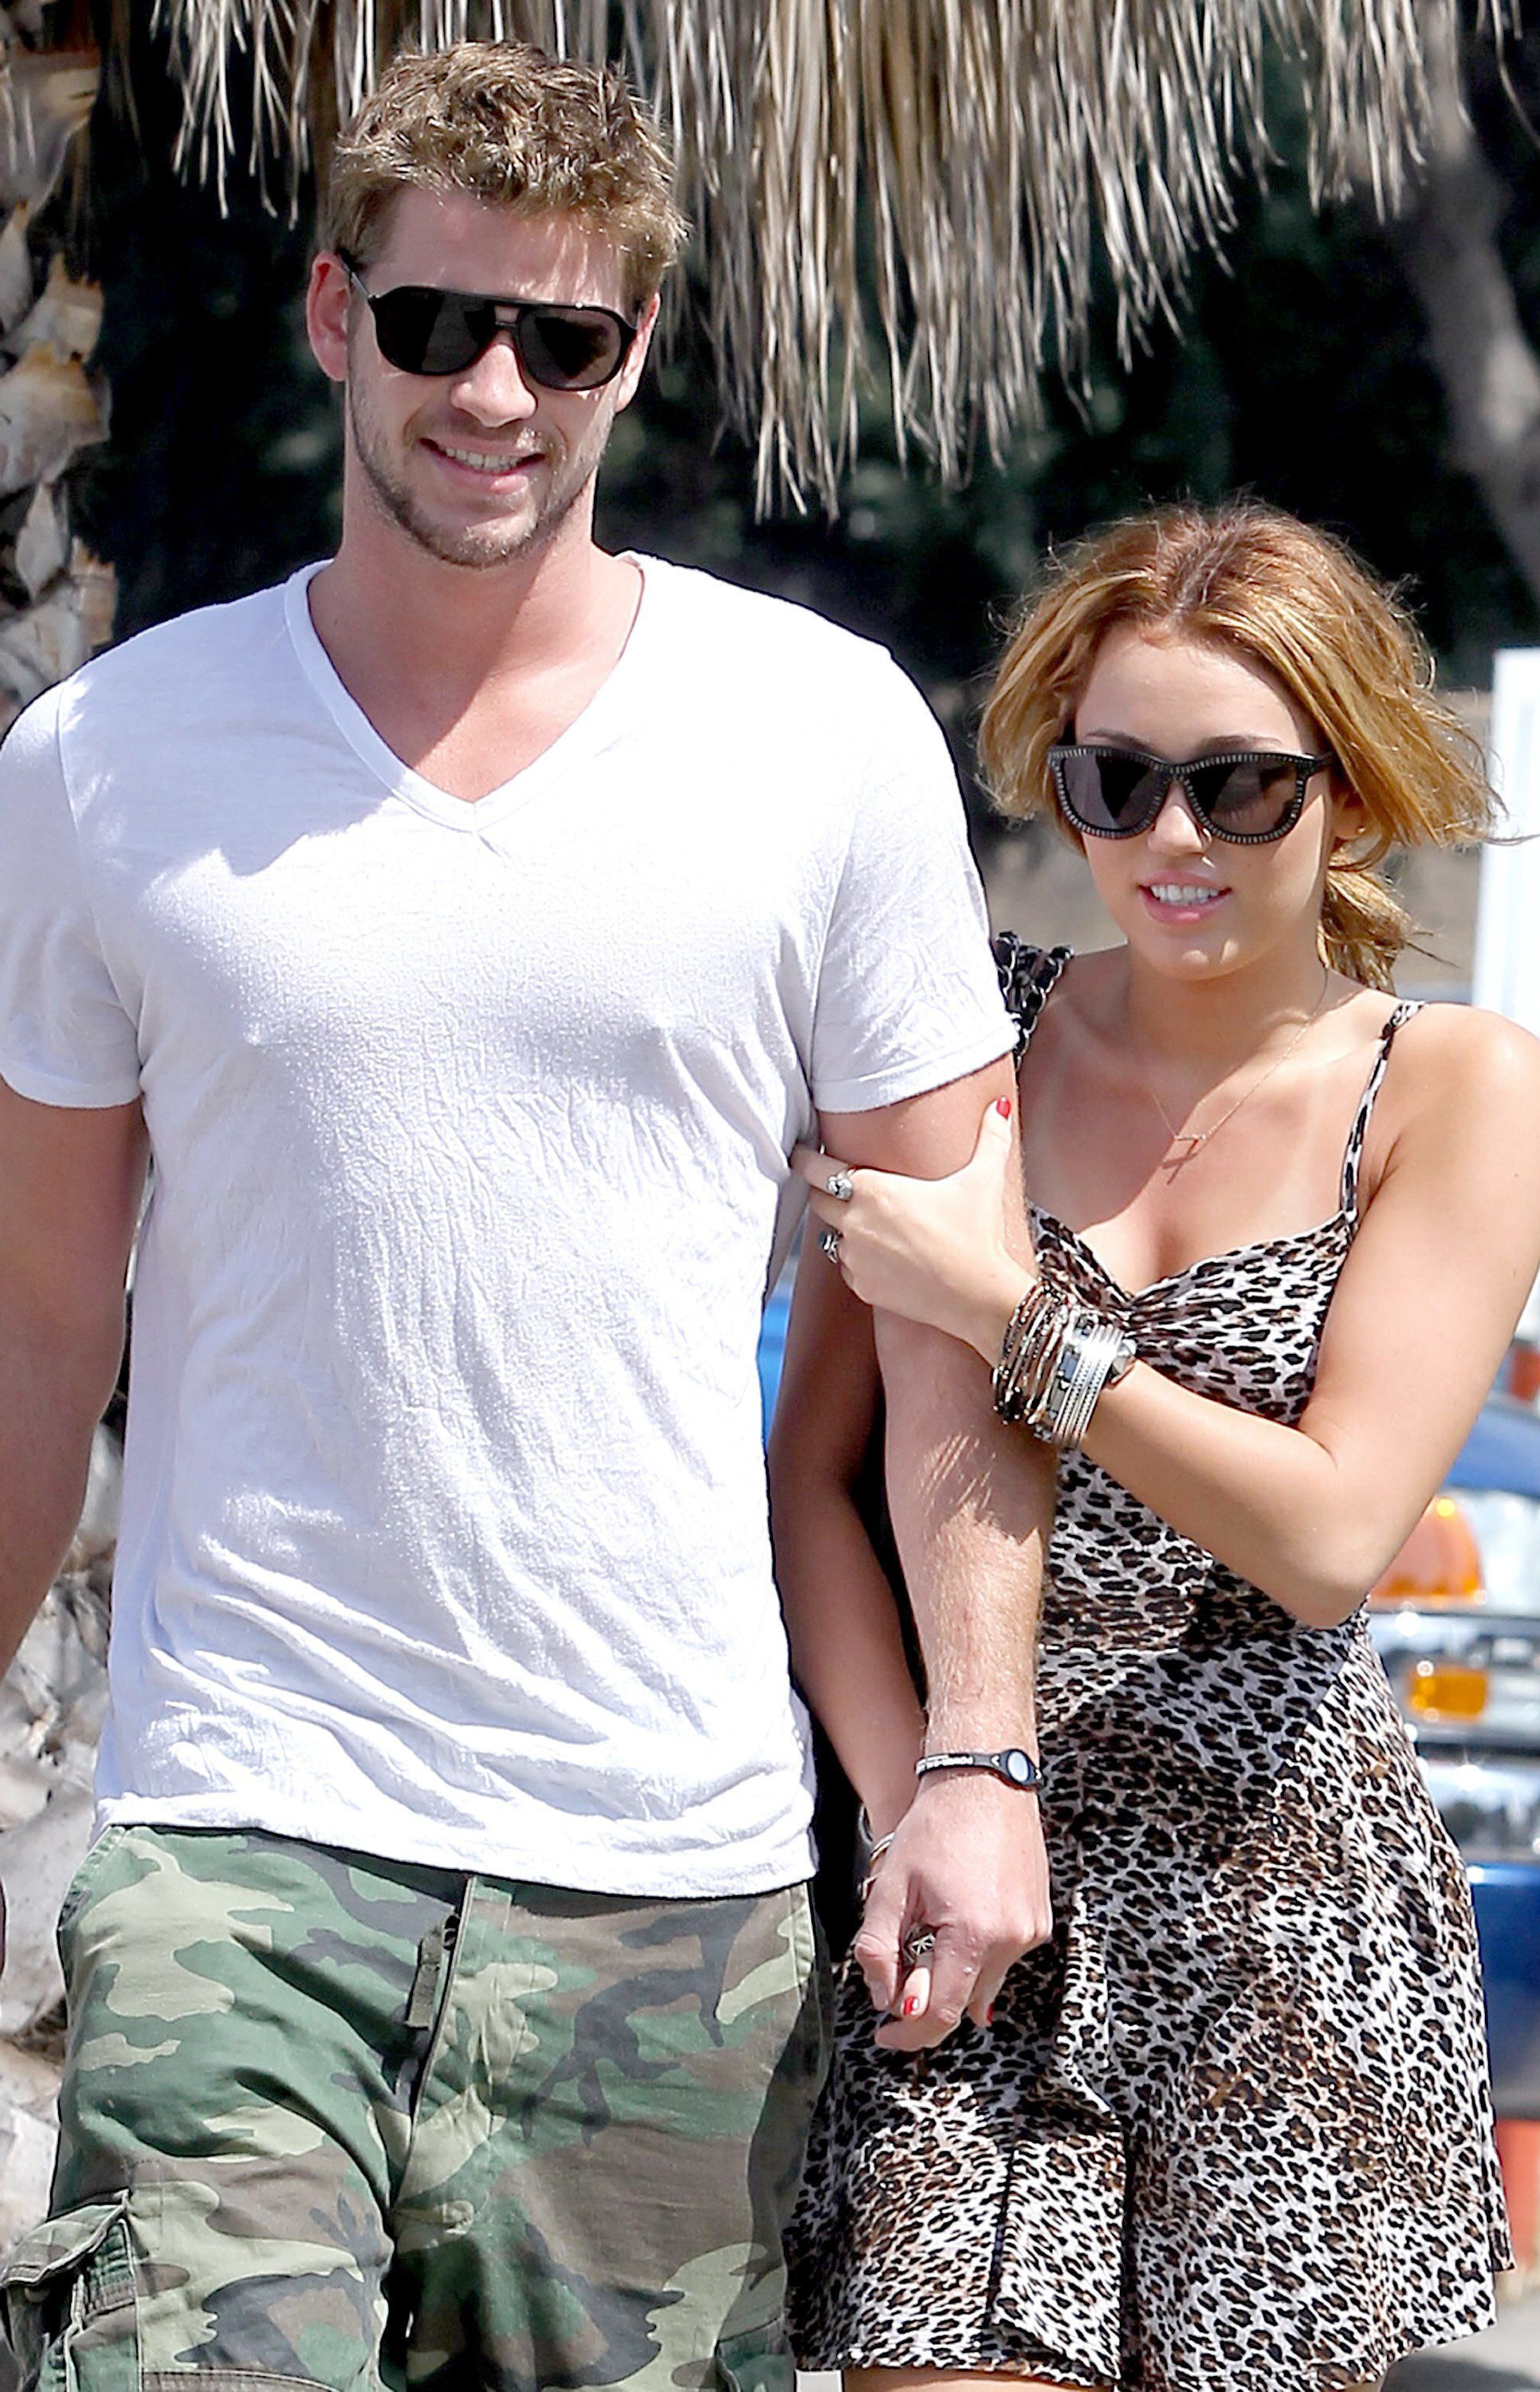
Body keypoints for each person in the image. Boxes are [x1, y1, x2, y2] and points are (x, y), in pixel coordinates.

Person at [0, 43, 1053, 2390]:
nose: (492, 392)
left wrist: (973, 1761)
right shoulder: (105, 767)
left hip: (663, 1869)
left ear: (633, 356)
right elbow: (37, 1328)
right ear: (330, 316)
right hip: (240, 1837)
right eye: (435, 323)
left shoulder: (820, 739)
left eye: (559, 341)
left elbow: (951, 1314)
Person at [775, 501, 1540, 2391]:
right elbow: (808, 1490)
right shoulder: (971, 1034)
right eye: (1114, 782)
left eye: (1239, 788)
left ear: (1347, 796)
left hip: (1271, 1918)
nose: (1170, 840)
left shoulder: (1449, 1086)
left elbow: (1329, 1536)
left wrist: (1010, 1315)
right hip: (962, 1893)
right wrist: (914, 1804)